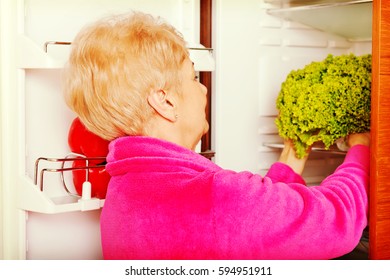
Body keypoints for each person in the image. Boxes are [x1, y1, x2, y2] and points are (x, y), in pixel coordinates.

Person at [63, 11, 370, 260]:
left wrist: (292, 157)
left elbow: (249, 226)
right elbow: (337, 221)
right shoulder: (212, 197)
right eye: (193, 77)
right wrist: (362, 149)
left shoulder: (124, 193)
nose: (203, 88)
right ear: (165, 101)